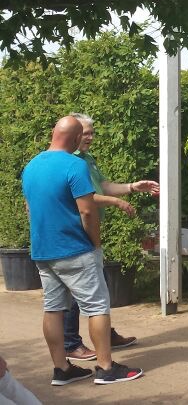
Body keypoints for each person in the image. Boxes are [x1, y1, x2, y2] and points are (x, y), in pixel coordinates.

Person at [21, 116, 144, 385]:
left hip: (43, 251)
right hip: (75, 249)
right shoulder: (75, 165)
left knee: (53, 309)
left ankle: (62, 369)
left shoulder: (31, 166)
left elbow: (29, 209)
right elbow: (87, 211)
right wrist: (95, 245)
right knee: (97, 307)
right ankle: (106, 368)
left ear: (53, 133)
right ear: (76, 138)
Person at [62, 113, 159, 362]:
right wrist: (116, 202)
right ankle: (71, 343)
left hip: (90, 229)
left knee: (100, 284)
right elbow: (85, 198)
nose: (90, 137)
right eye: (86, 133)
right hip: (77, 231)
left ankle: (104, 335)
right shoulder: (70, 162)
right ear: (74, 134)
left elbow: (102, 186)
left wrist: (132, 187)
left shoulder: (87, 159)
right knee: (78, 290)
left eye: (92, 133)